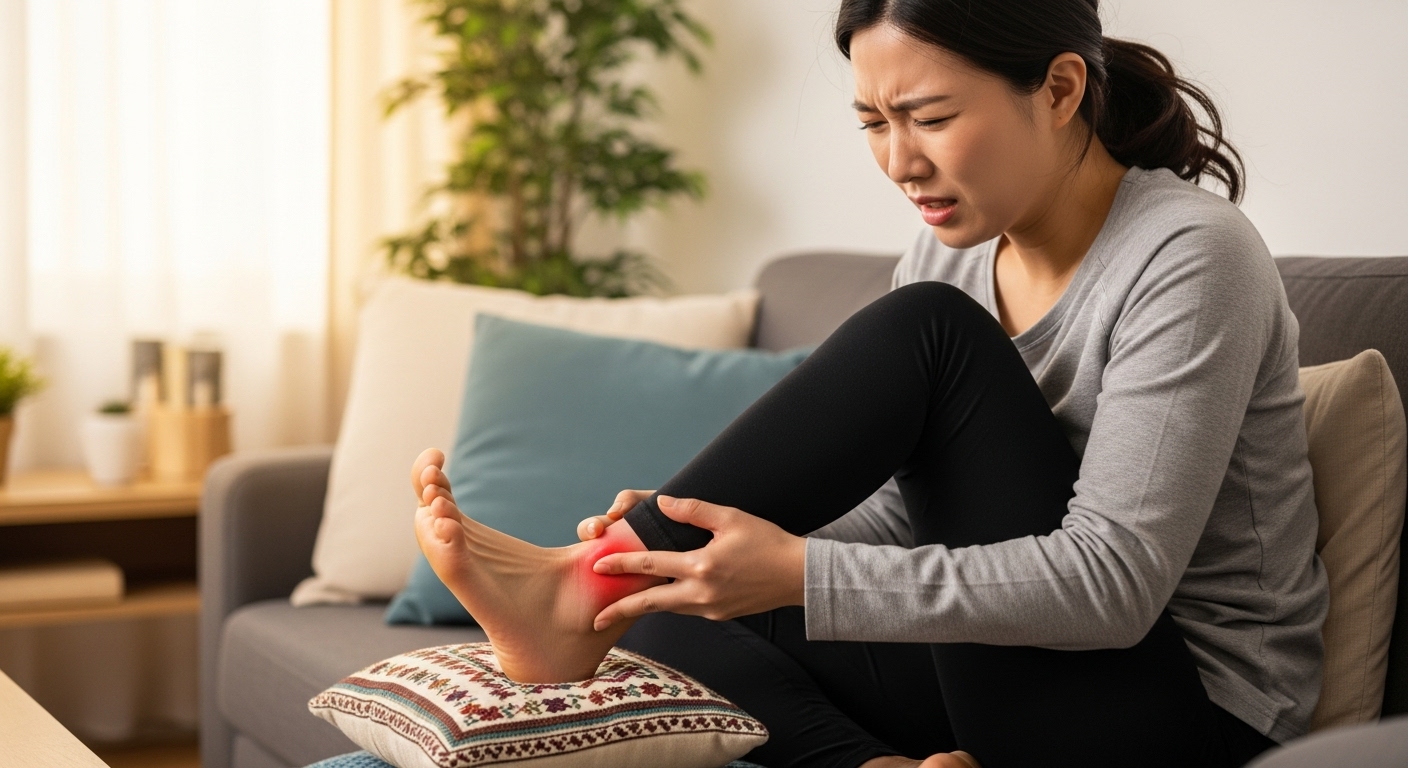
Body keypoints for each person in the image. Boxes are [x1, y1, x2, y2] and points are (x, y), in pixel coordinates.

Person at [408, 1, 1328, 766]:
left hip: (1181, 713)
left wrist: (800, 571)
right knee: (673, 606)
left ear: (1058, 89)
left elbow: (1111, 584)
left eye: (929, 118)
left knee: (925, 330)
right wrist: (721, 545)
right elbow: (904, 517)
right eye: (874, 124)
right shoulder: (951, 248)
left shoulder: (1190, 255)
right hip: (1007, 676)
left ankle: (586, 589)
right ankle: (642, 604)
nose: (900, 162)